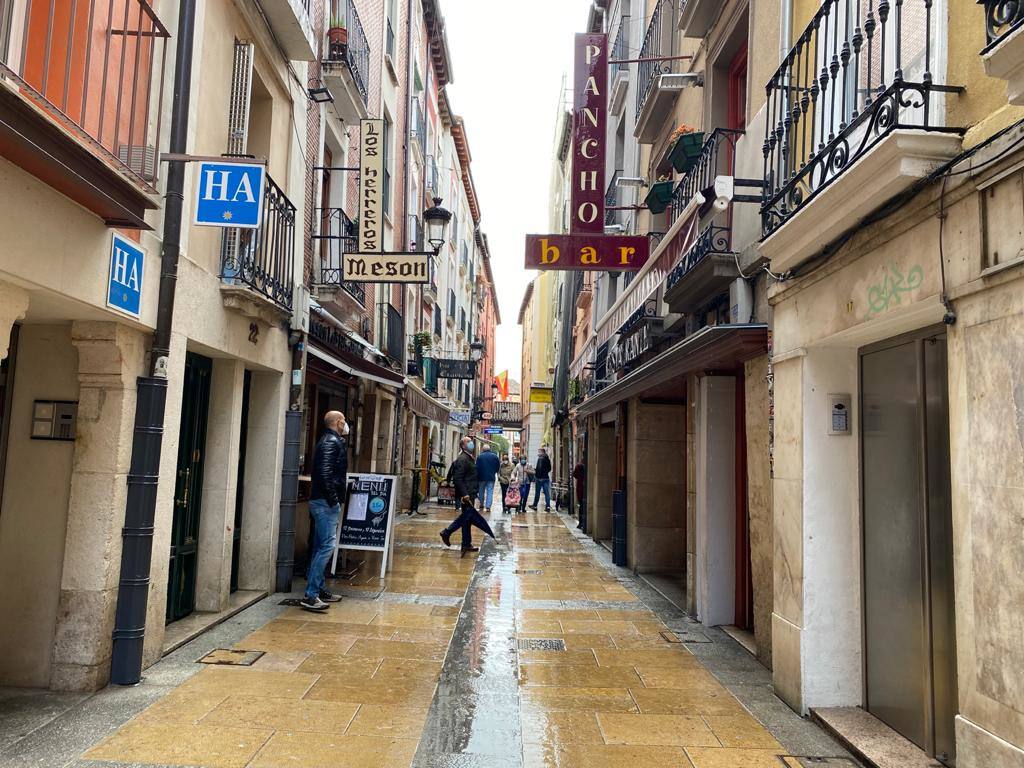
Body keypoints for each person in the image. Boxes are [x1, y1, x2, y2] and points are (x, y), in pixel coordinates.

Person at [303, 411, 349, 612]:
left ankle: (319, 589)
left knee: (320, 546)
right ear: (339, 422)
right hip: (324, 503)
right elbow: (324, 473)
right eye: (344, 421)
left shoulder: (330, 440)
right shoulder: (331, 442)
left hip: (322, 501)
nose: (346, 424)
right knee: (327, 547)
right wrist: (333, 500)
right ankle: (311, 595)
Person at [439, 437, 493, 556]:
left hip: (470, 493)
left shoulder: (468, 457)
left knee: (467, 519)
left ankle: (466, 544)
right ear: (463, 446)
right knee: (466, 517)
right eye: (468, 442)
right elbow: (458, 478)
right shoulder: (463, 459)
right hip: (466, 495)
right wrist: (465, 494)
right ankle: (447, 532)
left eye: (470, 441)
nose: (471, 443)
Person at [475, 443, 500, 513]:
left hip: (481, 477)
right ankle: (488, 506)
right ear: (490, 449)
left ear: (483, 449)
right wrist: (494, 472)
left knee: (481, 491)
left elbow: (477, 467)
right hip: (491, 477)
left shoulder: (480, 457)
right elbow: (498, 467)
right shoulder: (495, 457)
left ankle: (481, 504)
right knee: (490, 491)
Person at [529, 447, 553, 511]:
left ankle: (535, 505)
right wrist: (545, 473)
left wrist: (538, 477)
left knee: (537, 492)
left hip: (539, 478)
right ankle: (548, 506)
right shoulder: (547, 459)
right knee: (546, 493)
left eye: (539, 452)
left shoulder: (540, 459)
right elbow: (549, 468)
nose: (538, 453)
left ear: (542, 452)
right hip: (546, 478)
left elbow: (539, 469)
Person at [572, 460, 586, 529]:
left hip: (580, 489)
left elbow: (574, 475)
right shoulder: (581, 466)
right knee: (583, 506)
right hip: (583, 489)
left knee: (581, 506)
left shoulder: (579, 466)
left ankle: (581, 523)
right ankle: (582, 523)